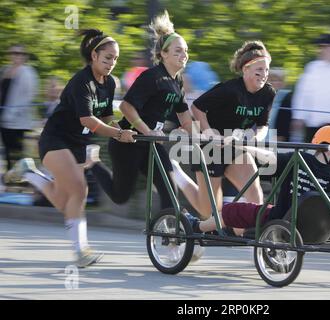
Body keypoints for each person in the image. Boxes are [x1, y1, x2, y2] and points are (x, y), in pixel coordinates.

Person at [4, 29, 136, 267]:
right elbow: (88, 121)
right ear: (94, 55)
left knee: (66, 201)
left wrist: (123, 129)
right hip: (55, 139)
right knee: (79, 189)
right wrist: (118, 134)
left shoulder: (111, 83)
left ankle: (28, 173)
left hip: (77, 144)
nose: (112, 63)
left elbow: (105, 118)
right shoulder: (81, 82)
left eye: (115, 59)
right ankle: (80, 251)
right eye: (107, 58)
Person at [182, 126, 330, 234]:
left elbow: (266, 156)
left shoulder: (298, 160)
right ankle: (212, 229)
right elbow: (267, 155)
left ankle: (196, 227)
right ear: (327, 149)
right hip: (311, 228)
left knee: (230, 210)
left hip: (279, 219)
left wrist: (238, 145)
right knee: (242, 212)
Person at [85, 11, 195, 210]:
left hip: (151, 143)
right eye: (178, 51)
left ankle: (170, 237)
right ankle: (92, 162)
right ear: (164, 54)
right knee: (120, 196)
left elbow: (184, 115)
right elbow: (126, 107)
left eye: (186, 51)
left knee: (170, 190)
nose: (184, 55)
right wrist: (148, 132)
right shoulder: (152, 77)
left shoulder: (177, 81)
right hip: (128, 142)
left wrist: (202, 137)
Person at [176, 40, 275, 220]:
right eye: (259, 70)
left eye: (267, 70)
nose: (264, 75)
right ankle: (178, 176)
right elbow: (197, 107)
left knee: (255, 195)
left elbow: (263, 125)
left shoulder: (268, 93)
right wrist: (209, 133)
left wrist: (254, 138)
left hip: (235, 147)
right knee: (210, 211)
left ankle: (249, 233)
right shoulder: (229, 89)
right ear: (245, 69)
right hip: (209, 148)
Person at [0, 45, 39, 170]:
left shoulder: (28, 72)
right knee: (7, 151)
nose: (16, 55)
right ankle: (10, 178)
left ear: (24, 56)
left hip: (18, 121)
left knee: (17, 151)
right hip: (3, 118)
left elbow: (30, 94)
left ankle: (20, 178)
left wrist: (14, 112)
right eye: (13, 53)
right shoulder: (4, 70)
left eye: (19, 53)